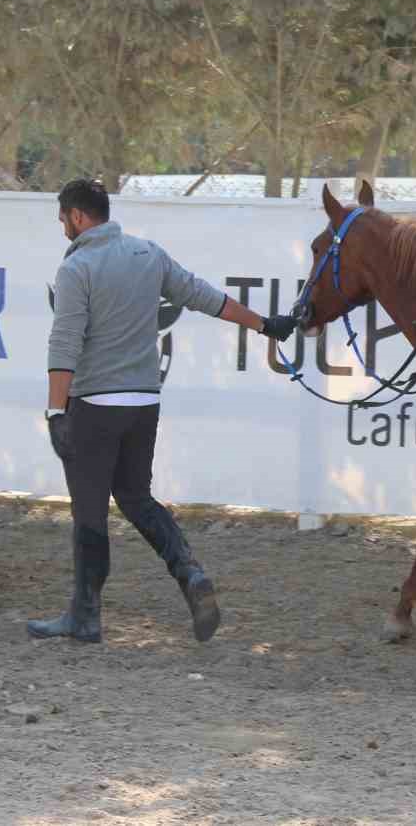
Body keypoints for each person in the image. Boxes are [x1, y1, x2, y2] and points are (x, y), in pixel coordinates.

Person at [30, 178, 297, 644]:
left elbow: (64, 343)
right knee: (136, 498)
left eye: (61, 218)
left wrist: (56, 412)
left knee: (89, 511)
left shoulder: (77, 269)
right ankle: (189, 572)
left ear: (76, 216)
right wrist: (265, 324)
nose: (61, 227)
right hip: (144, 403)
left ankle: (85, 616)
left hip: (95, 405)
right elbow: (203, 296)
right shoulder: (148, 254)